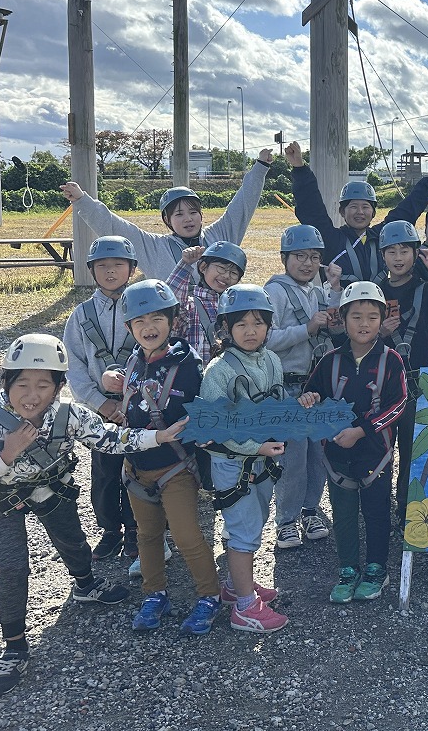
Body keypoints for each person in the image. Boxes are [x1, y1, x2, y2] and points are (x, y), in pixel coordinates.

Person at [0, 334, 182, 698]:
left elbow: (111, 439)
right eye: (22, 384)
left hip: (53, 488)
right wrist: (7, 454)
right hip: (2, 499)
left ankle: (85, 584)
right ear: (5, 382)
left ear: (58, 387)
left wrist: (157, 437)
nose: (32, 395)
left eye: (43, 385)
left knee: (72, 540)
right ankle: (14, 646)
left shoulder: (69, 415)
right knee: (12, 568)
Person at [102, 280, 222, 636]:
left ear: (173, 321)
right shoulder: (134, 361)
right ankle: (154, 593)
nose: (148, 327)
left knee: (187, 536)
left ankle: (209, 596)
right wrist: (110, 378)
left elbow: (203, 409)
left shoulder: (188, 364)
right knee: (147, 535)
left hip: (175, 467)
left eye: (157, 318)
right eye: (139, 321)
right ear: (129, 328)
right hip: (137, 467)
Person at [299, 283, 409, 603]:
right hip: (337, 454)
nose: (364, 324)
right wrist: (309, 398)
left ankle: (376, 569)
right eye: (356, 316)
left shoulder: (391, 360)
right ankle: (347, 569)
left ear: (382, 320)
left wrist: (361, 431)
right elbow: (313, 393)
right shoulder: (329, 361)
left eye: (372, 317)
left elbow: (398, 404)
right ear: (343, 319)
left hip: (376, 453)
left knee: (376, 512)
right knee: (343, 514)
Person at [200, 285, 288, 633]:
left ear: (268, 326)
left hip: (262, 462)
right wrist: (257, 447)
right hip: (234, 465)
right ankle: (245, 608)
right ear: (226, 328)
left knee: (253, 522)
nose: (251, 331)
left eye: (258, 323)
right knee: (243, 532)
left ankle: (237, 587)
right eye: (241, 324)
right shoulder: (219, 371)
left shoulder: (271, 360)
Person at [60, 149, 273, 279]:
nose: (188, 218)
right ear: (167, 220)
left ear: (201, 215)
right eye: (179, 214)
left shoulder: (220, 236)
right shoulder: (154, 247)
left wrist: (260, 167)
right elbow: (114, 226)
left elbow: (242, 205)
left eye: (193, 212)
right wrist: (82, 200)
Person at [376, 220, 428, 523]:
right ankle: (377, 510)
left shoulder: (427, 288)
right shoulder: (374, 292)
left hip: (418, 384)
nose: (398, 258)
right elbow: (358, 338)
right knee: (380, 451)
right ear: (382, 255)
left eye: (405, 251)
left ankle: (406, 511)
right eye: (392, 252)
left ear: (415, 253)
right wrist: (381, 334)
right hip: (383, 385)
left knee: (414, 452)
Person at [63, 236, 139, 561]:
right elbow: (74, 366)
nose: (110, 271)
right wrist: (101, 403)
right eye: (102, 265)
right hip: (99, 411)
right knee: (105, 474)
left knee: (136, 471)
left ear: (131, 269)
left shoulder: (143, 307)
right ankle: (110, 531)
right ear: (91, 270)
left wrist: (131, 400)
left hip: (138, 407)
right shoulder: (81, 315)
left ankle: (136, 530)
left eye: (118, 264)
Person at [265, 225, 341, 549]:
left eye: (313, 257)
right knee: (292, 458)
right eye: (299, 256)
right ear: (284, 258)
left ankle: (310, 510)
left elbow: (332, 320)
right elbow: (266, 339)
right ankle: (286, 520)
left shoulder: (316, 291)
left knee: (317, 454)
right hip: (288, 387)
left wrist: (334, 288)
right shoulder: (274, 291)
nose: (307, 263)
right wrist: (306, 329)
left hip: (317, 387)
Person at [284, 141, 428, 286]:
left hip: (379, 307)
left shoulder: (382, 237)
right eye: (353, 206)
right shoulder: (331, 239)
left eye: (365, 207)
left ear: (373, 212)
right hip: (341, 306)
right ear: (342, 211)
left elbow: (408, 210)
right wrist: (299, 168)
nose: (360, 212)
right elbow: (312, 208)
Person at [167, 241, 248, 363]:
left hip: (227, 373)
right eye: (222, 268)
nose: (227, 276)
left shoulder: (236, 309)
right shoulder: (190, 305)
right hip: (194, 373)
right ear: (203, 267)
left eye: (233, 273)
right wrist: (185, 264)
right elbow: (168, 305)